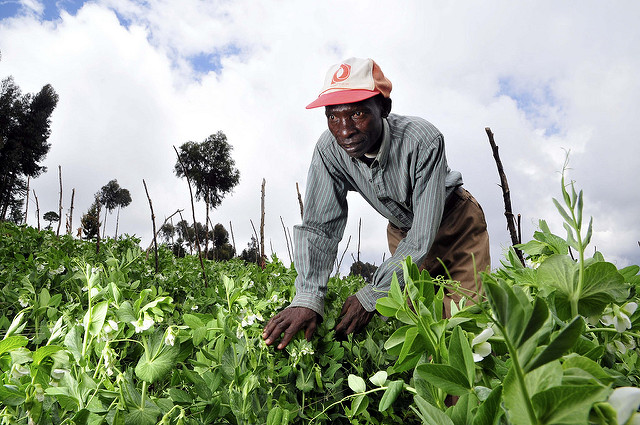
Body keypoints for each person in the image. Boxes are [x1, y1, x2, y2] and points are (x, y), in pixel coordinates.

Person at [263, 57, 490, 350]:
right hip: (403, 233)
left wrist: (373, 295)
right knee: (418, 327)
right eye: (333, 117)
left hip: (455, 225)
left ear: (384, 107)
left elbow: (423, 233)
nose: (345, 130)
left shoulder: (423, 140)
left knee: (465, 325)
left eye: (357, 113)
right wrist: (308, 299)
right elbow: (320, 228)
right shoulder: (329, 151)